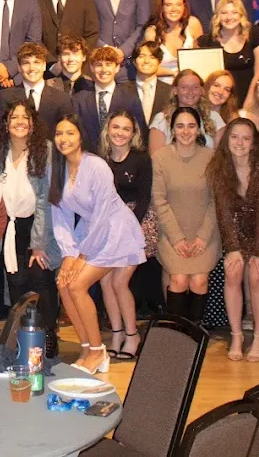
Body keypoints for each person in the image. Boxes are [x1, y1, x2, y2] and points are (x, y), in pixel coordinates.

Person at [50, 114, 145, 373]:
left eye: (70, 133)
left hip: (115, 231)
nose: (64, 139)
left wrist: (82, 255)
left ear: (81, 136)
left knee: (78, 284)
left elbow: (104, 213)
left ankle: (97, 351)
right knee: (63, 282)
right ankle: (87, 348)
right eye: (59, 133)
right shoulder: (56, 167)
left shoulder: (96, 166)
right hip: (90, 231)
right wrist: (68, 254)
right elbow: (60, 216)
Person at [208, 118, 259, 362]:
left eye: (245, 138)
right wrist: (232, 248)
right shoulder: (220, 167)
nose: (239, 143)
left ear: (253, 143)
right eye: (234, 137)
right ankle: (237, 335)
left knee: (257, 275)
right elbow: (223, 211)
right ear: (226, 141)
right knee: (232, 272)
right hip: (236, 233)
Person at [0, 101, 59, 345]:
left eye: (24, 117)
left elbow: (46, 199)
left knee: (40, 278)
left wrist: (39, 242)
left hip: (39, 226)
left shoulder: (45, 150)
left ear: (32, 124)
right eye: (14, 117)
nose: (19, 121)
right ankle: (23, 337)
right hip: (10, 228)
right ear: (6, 125)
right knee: (16, 282)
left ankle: (49, 336)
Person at [151, 106, 220, 326]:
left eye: (191, 126)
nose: (186, 131)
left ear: (199, 129)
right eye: (180, 126)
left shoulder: (211, 158)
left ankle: (194, 331)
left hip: (205, 232)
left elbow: (216, 201)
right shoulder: (160, 157)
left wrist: (202, 236)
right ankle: (176, 332)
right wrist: (177, 238)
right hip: (171, 232)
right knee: (179, 280)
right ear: (172, 129)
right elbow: (159, 200)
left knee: (199, 282)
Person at [97, 109, 154, 361]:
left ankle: (133, 335)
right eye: (115, 127)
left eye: (126, 129)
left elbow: (143, 200)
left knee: (120, 282)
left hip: (136, 224)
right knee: (105, 282)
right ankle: (116, 333)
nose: (120, 133)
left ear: (133, 134)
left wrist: (129, 227)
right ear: (108, 130)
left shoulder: (142, 159)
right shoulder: (100, 160)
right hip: (107, 224)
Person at [198, 0, 259, 108]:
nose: (229, 17)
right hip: (218, 103)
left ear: (241, 14)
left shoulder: (256, 35)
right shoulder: (205, 41)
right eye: (224, 13)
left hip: (250, 99)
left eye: (234, 12)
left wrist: (250, 100)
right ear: (217, 16)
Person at [0, 42, 74, 136]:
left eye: (36, 62)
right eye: (26, 63)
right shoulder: (5, 97)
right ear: (19, 68)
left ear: (44, 66)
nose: (32, 68)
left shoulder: (62, 99)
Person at [72, 45, 144, 142]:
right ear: (92, 68)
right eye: (99, 65)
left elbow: (140, 133)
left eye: (108, 64)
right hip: (88, 155)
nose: (104, 70)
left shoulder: (131, 99)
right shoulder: (79, 100)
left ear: (117, 67)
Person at [148, 70, 222, 151]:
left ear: (201, 90)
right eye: (184, 87)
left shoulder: (214, 117)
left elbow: (221, 155)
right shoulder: (161, 119)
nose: (190, 92)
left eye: (195, 87)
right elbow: (156, 157)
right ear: (175, 90)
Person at [141, 0, 203, 78]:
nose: (174, 9)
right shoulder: (151, 33)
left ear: (184, 7)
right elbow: (146, 67)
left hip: (190, 84)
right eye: (168, 5)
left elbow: (203, 57)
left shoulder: (193, 24)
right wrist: (173, 73)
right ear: (161, 7)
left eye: (178, 4)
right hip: (162, 86)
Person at [131, 41, 173, 127]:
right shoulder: (121, 91)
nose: (146, 61)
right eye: (141, 56)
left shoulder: (170, 91)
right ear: (134, 62)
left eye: (152, 57)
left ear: (159, 63)